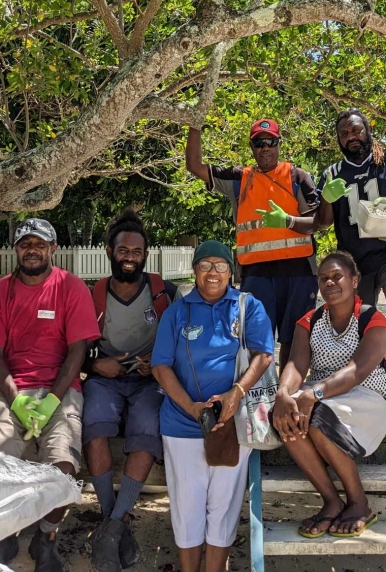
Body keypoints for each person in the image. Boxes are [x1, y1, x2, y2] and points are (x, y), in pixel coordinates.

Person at [0, 218, 101, 572]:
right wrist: (16, 400)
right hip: (11, 388)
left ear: (52, 249)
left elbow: (77, 352)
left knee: (62, 466)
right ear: (16, 249)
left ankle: (46, 536)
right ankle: (4, 532)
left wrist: (51, 401)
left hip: (60, 390)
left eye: (39, 244)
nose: (32, 249)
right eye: (25, 243)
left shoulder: (71, 288)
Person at [263, 110, 386, 393]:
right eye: (344, 134)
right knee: (356, 320)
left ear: (368, 130)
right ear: (338, 140)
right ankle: (363, 375)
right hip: (355, 260)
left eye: (356, 130)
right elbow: (322, 222)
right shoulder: (332, 173)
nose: (351, 137)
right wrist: (325, 200)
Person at [150, 241, 274, 572]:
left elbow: (264, 354)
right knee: (187, 508)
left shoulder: (249, 306)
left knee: (224, 507)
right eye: (205, 265)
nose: (213, 272)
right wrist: (192, 407)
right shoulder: (177, 312)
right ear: (194, 271)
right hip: (182, 425)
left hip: (233, 425)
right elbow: (160, 366)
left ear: (231, 271)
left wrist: (236, 393)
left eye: (221, 265)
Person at [272, 251, 386, 539]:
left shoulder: (373, 320)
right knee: (285, 415)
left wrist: (314, 393)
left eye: (337, 276)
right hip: (320, 397)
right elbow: (297, 364)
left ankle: (359, 503)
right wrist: (283, 392)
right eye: (324, 278)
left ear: (354, 280)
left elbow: (357, 371)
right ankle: (331, 500)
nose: (330, 282)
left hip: (366, 398)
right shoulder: (310, 320)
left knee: (318, 416)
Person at [84, 210, 177, 572]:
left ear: (145, 255)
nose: (129, 256)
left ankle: (111, 526)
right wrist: (95, 366)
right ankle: (114, 521)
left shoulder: (164, 292)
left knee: (147, 426)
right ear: (109, 251)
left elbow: (182, 338)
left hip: (150, 380)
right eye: (123, 250)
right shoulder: (93, 293)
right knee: (94, 422)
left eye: (136, 251)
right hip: (106, 377)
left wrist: (157, 359)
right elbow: (75, 348)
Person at [186, 120, 319, 367]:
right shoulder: (239, 179)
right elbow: (194, 166)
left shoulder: (297, 176)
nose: (265, 147)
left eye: (271, 141)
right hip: (256, 274)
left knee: (295, 339)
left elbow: (318, 222)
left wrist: (288, 221)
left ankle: (287, 395)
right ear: (252, 146)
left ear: (279, 144)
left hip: (299, 272)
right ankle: (261, 399)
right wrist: (196, 120)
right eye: (259, 142)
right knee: (257, 342)